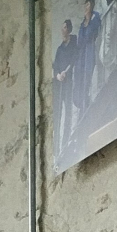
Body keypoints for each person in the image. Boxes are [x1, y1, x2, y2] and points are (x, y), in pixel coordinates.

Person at [52, 21, 79, 162]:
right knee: (58, 113)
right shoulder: (59, 49)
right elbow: (55, 65)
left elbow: (74, 59)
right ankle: (56, 146)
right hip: (59, 84)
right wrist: (58, 75)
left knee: (68, 112)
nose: (62, 31)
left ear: (68, 30)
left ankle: (66, 141)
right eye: (61, 28)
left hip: (68, 82)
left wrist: (65, 72)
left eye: (64, 28)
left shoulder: (73, 44)